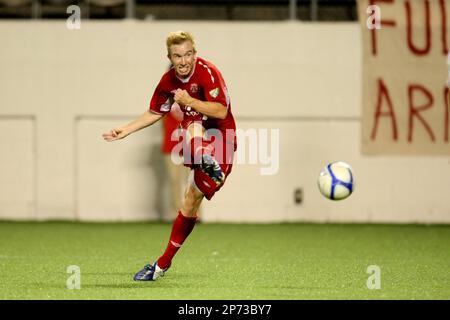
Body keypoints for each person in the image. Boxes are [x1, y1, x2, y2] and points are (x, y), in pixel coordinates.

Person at [102, 31, 237, 281]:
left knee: (193, 121)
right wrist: (127, 129)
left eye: (188, 54)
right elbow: (155, 112)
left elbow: (220, 110)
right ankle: (161, 266)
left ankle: (207, 158)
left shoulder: (208, 72)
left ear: (195, 54)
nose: (184, 61)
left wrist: (189, 100)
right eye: (178, 56)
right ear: (170, 57)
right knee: (188, 202)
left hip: (222, 139)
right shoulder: (167, 82)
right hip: (197, 139)